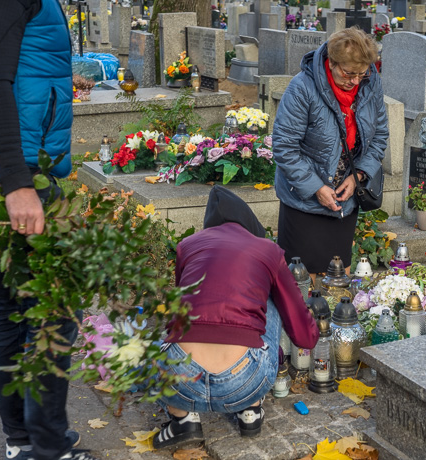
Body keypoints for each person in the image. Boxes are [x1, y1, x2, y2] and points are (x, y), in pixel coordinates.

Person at [0, 1, 97, 459]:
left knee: (11, 306)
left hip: (2, 161)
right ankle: (46, 446)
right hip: (7, 169)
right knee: (54, 309)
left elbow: (3, 57)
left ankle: (25, 441)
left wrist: (53, 82)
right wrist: (16, 185)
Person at [150, 185, 319, 449]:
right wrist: (313, 333)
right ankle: (250, 411)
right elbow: (301, 329)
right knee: (271, 298)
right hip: (244, 380)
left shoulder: (187, 246)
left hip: (180, 380)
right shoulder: (267, 250)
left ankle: (181, 420)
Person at [272, 27, 388, 281]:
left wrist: (358, 174)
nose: (356, 81)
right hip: (304, 200)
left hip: (344, 196)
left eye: (362, 73)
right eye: (348, 74)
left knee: (338, 277)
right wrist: (316, 187)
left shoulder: (370, 84)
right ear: (331, 63)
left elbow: (379, 136)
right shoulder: (302, 88)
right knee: (302, 280)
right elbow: (284, 147)